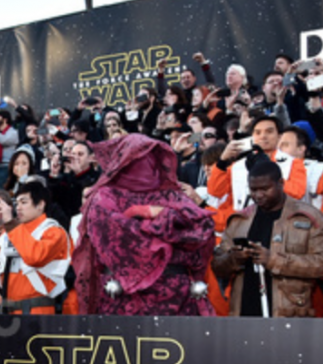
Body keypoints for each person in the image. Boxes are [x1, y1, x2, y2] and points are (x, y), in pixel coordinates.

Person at [72, 133, 217, 316]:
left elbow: (202, 228)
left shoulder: (172, 194)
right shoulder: (104, 197)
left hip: (178, 300)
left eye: (150, 156)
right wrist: (164, 221)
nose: (146, 163)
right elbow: (118, 237)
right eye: (137, 157)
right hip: (121, 299)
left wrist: (147, 213)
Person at [211, 159, 323, 317]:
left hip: (290, 315)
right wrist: (233, 259)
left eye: (265, 189)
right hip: (244, 312)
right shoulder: (239, 220)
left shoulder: (308, 218)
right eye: (253, 190)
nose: (258, 195)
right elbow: (217, 266)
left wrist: (273, 260)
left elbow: (320, 264)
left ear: (280, 183)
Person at [0, 179, 71, 315]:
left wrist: (10, 223)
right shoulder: (9, 234)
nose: (18, 207)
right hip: (8, 310)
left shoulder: (54, 231)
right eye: (16, 203)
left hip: (39, 309)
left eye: (24, 202)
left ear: (40, 205)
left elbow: (34, 257)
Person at [206, 115, 307, 224]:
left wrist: (267, 169)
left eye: (269, 132)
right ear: (252, 137)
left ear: (279, 136)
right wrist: (222, 161)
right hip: (246, 223)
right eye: (258, 133)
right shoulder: (238, 166)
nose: (263, 136)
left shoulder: (293, 163)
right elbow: (216, 191)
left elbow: (298, 192)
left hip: (281, 223)